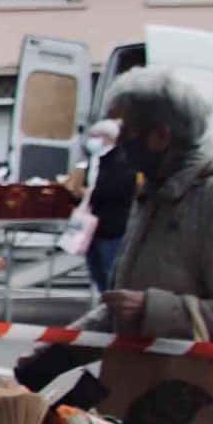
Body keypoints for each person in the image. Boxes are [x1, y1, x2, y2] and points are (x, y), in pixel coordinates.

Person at [64, 69, 213, 349]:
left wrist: (151, 309)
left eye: (127, 131)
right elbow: (124, 312)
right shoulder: (157, 192)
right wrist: (51, 353)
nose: (118, 142)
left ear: (160, 136)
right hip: (163, 385)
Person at [69, 116, 140, 297]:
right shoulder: (95, 160)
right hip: (94, 228)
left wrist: (90, 194)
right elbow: (77, 187)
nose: (91, 141)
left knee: (110, 273)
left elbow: (113, 190)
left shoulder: (121, 161)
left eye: (95, 136)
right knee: (98, 273)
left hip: (112, 228)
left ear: (108, 137)